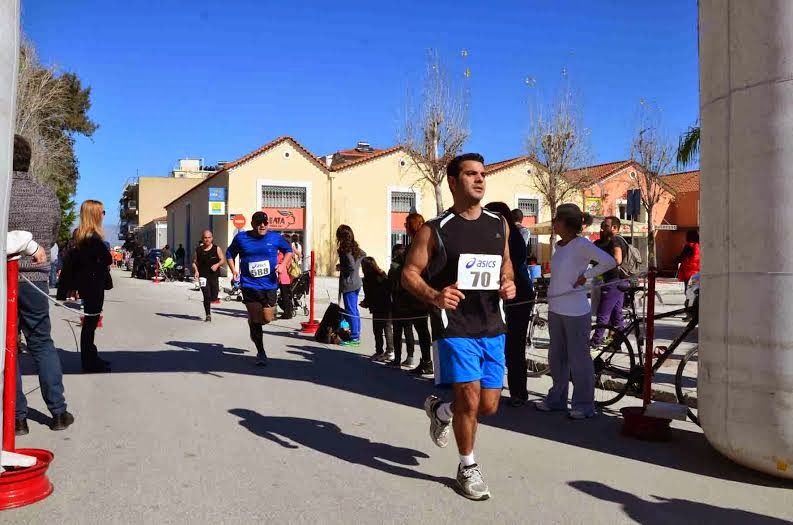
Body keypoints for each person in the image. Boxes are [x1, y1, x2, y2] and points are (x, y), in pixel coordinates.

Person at [402, 153, 516, 501]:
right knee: (469, 398)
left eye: (483, 174)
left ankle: (441, 410)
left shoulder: (499, 224)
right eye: (471, 174)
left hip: (492, 326)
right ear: (453, 181)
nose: (480, 179)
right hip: (456, 327)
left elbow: (506, 265)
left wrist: (507, 282)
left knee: (489, 405)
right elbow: (409, 274)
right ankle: (468, 467)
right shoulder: (435, 229)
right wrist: (436, 295)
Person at [9, 134, 74, 434]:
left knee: (8, 348)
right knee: (42, 344)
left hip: (6, 281)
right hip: (35, 280)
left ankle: (17, 418)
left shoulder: (3, 193)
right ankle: (58, 412)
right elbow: (53, 234)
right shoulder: (46, 196)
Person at [534, 204, 615, 419]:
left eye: (557, 220)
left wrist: (587, 276)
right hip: (556, 309)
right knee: (557, 357)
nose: (554, 224)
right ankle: (557, 399)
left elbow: (609, 262)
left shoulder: (582, 244)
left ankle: (584, 405)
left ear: (567, 223)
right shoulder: (560, 246)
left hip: (576, 311)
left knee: (579, 359)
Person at [226, 211, 293, 365]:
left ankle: (253, 322)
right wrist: (234, 270)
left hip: (269, 285)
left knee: (267, 318)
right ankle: (261, 352)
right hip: (249, 284)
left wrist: (283, 265)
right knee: (257, 319)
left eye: (264, 222)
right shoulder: (242, 238)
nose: (262, 225)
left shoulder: (274, 237)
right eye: (258, 222)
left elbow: (288, 250)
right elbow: (230, 253)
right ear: (252, 224)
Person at [486, 201, 535, 407]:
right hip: (500, 297)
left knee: (514, 346)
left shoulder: (513, 237)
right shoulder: (496, 236)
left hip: (518, 297)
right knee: (497, 345)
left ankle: (518, 393)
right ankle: (491, 387)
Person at [64, 200, 114, 373]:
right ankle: (89, 361)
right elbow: (107, 258)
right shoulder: (91, 238)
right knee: (90, 323)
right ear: (94, 214)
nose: (103, 215)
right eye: (102, 212)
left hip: (88, 284)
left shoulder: (81, 236)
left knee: (90, 323)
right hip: (93, 285)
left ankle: (92, 355)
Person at [403, 213, 433, 375]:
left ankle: (428, 361)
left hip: (419, 293)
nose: (404, 227)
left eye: (407, 224)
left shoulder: (417, 244)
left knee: (422, 330)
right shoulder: (421, 242)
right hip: (419, 292)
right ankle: (426, 360)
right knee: (422, 330)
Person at [591, 216, 629, 346]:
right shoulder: (616, 240)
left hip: (613, 281)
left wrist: (601, 264)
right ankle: (617, 343)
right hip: (620, 282)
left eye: (606, 226)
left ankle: (596, 341)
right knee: (616, 316)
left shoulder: (615, 240)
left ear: (614, 228)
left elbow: (617, 260)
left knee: (603, 314)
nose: (602, 228)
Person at [387, 244, 418, 368]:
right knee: (408, 330)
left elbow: (390, 286)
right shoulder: (410, 267)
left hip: (398, 302)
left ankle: (397, 359)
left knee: (397, 332)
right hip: (409, 302)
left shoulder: (394, 268)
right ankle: (410, 358)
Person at [336, 225, 366, 347]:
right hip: (357, 282)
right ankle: (356, 334)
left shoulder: (345, 249)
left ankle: (354, 337)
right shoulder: (356, 248)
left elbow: (352, 266)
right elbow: (364, 254)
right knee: (354, 309)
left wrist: (341, 267)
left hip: (349, 283)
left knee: (351, 310)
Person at [360, 256, 394, 361]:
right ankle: (390, 351)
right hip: (387, 305)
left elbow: (369, 295)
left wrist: (365, 303)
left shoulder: (367, 279)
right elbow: (389, 288)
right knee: (388, 328)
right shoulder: (382, 274)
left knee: (377, 330)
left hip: (377, 307)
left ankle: (379, 351)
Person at [192, 230, 226, 322]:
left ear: (212, 238)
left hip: (214, 275)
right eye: (205, 238)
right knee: (206, 295)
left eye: (209, 237)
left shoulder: (216, 248)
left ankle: (213, 299)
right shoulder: (198, 250)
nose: (207, 239)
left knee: (214, 296)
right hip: (203, 276)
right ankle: (208, 315)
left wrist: (217, 265)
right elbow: (194, 263)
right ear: (202, 239)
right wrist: (196, 271)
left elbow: (222, 259)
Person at [676, 230, 701, 320]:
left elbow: (681, 257)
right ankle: (695, 312)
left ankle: (690, 314)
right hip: (698, 273)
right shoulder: (700, 246)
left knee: (689, 293)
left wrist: (676, 259)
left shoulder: (689, 246)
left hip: (689, 274)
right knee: (695, 293)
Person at [277, 250, 294, 319]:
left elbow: (276, 261)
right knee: (287, 296)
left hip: (283, 278)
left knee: (285, 296)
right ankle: (289, 311)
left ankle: (287, 313)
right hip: (288, 278)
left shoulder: (281, 254)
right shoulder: (289, 253)